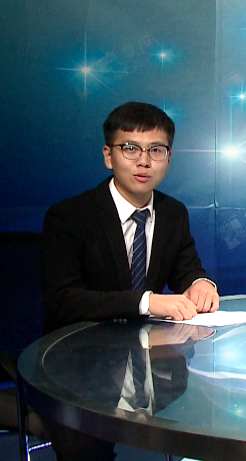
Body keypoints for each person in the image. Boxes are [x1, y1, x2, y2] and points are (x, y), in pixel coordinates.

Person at [40, 101, 220, 460]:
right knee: (85, 448)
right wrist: (146, 301)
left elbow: (187, 269)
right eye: (130, 149)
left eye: (156, 150)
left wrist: (202, 283)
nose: (144, 162)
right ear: (109, 156)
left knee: (209, 418)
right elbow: (63, 300)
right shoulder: (70, 217)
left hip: (150, 361)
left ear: (169, 157)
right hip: (77, 364)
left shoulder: (172, 213)